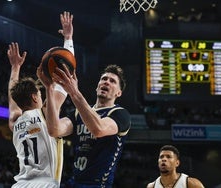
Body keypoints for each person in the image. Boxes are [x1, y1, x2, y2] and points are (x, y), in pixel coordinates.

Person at [37, 59, 131, 187]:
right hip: (74, 181)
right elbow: (54, 130)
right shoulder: (77, 112)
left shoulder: (120, 114)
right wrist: (49, 89)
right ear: (97, 86)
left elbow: (99, 129)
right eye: (104, 79)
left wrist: (74, 92)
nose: (106, 82)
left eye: (112, 81)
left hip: (97, 184)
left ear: (118, 93)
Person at [7, 11, 74, 188]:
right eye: (40, 93)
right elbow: (64, 80)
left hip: (20, 184)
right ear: (34, 97)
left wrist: (15, 68)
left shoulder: (15, 123)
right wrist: (68, 39)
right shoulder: (44, 114)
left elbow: (13, 97)